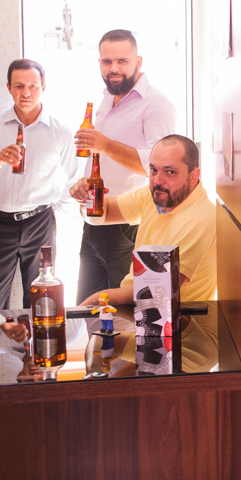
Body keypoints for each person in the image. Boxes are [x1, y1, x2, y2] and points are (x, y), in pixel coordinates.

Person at [0, 59, 82, 310]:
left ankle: (37, 339)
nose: (26, 92)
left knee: (41, 299)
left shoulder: (60, 130)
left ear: (43, 88)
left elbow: (75, 177)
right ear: (8, 87)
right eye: (19, 86)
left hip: (41, 223)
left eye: (33, 86)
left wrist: (56, 211)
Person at [69, 29, 177, 303]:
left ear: (138, 61)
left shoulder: (157, 105)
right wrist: (85, 182)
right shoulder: (107, 99)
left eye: (122, 61)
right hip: (94, 219)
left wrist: (105, 144)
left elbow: (162, 168)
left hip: (128, 224)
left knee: (130, 311)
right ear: (99, 63)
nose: (114, 68)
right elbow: (102, 158)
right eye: (107, 61)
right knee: (87, 308)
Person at [79, 135, 216, 305]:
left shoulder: (195, 221)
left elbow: (153, 292)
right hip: (143, 310)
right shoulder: (155, 195)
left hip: (174, 318)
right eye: (153, 170)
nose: (158, 181)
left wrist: (91, 302)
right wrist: (87, 200)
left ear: (193, 176)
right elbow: (101, 215)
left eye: (170, 172)